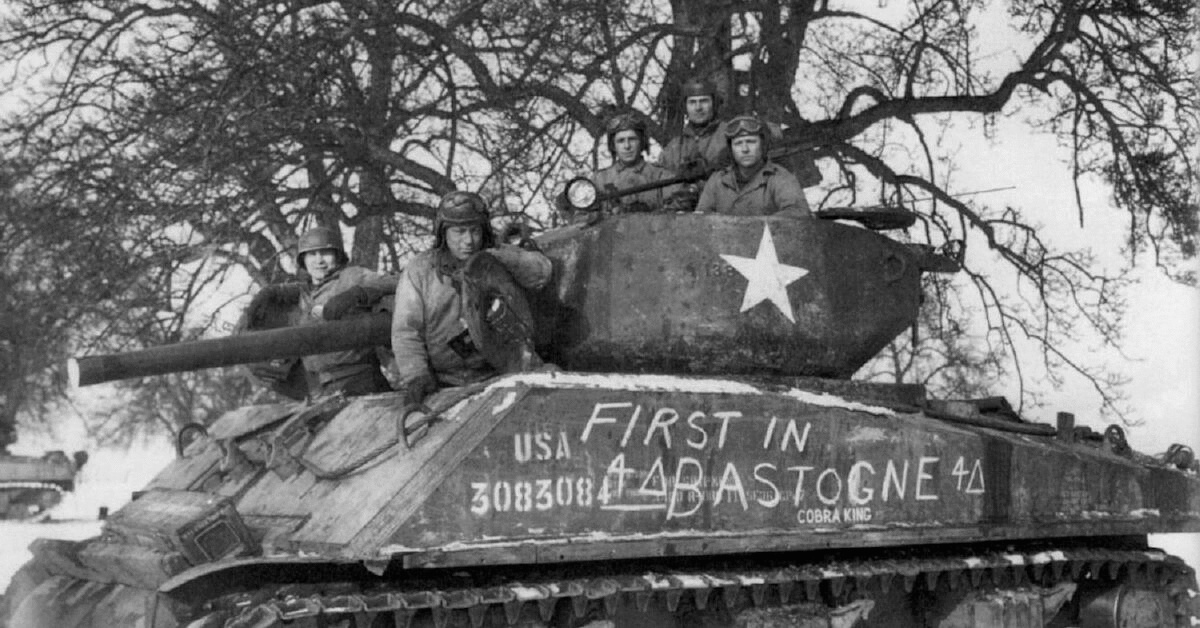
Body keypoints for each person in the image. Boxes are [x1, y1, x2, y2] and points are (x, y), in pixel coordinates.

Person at [391, 191, 552, 406]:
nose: (468, 240)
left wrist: (497, 257)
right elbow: (406, 330)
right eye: (459, 232)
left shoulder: (497, 255)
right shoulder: (420, 271)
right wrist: (416, 375)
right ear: (443, 232)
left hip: (502, 372)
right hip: (445, 383)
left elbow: (542, 272)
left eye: (474, 230)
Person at [243, 226, 398, 398]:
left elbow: (399, 282)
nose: (319, 261)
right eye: (312, 254)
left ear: (338, 255)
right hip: (323, 387)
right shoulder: (306, 293)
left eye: (325, 253)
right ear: (303, 260)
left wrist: (358, 293)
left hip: (360, 380)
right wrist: (272, 291)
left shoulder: (351, 277)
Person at [694, 114, 812, 217]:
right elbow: (701, 220)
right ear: (731, 149)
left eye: (751, 142)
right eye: (738, 144)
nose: (745, 149)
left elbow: (798, 213)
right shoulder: (717, 181)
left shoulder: (780, 178)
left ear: (762, 145)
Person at [591, 113, 680, 213]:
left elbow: (677, 213)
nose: (627, 146)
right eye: (621, 141)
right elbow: (584, 219)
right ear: (613, 146)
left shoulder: (661, 176)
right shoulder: (600, 180)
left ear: (642, 142)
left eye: (632, 139)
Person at [659, 77, 731, 177]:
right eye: (692, 102)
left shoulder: (729, 135)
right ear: (685, 107)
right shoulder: (673, 148)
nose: (698, 108)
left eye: (704, 101)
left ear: (714, 104)